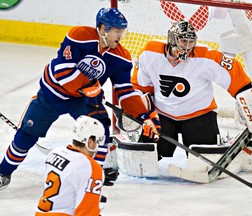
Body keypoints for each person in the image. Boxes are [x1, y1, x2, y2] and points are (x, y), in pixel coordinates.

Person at [0, 7, 161, 190]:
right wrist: (88, 88)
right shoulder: (79, 36)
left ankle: (94, 178)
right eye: (117, 31)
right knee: (26, 136)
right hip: (52, 94)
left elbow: (126, 91)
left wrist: (143, 117)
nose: (120, 36)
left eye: (122, 31)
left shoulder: (121, 57)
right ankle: (3, 172)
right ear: (103, 29)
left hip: (82, 101)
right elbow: (62, 73)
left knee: (100, 131)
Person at [131, 20, 252, 161]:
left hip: (199, 116)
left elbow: (233, 73)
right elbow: (141, 87)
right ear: (172, 40)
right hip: (163, 116)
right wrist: (142, 113)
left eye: (191, 42)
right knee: (147, 153)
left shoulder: (205, 56)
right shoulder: (150, 53)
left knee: (205, 160)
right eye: (183, 41)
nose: (187, 46)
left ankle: (228, 148)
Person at [35, 115, 105, 215]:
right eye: (97, 141)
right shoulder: (91, 167)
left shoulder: (55, 152)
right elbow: (87, 212)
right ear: (89, 142)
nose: (97, 147)